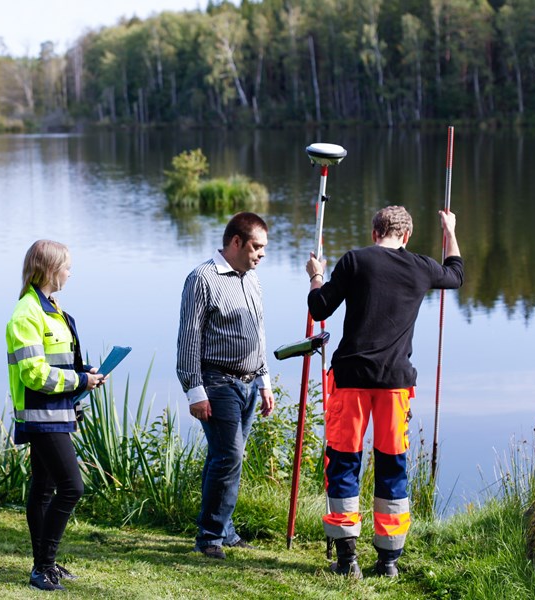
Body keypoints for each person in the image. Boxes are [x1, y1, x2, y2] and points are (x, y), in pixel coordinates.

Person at [306, 206, 463, 578]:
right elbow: (456, 275)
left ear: (375, 232)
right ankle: (388, 562)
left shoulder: (355, 261)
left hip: (351, 377)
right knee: (393, 464)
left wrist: (316, 277)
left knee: (344, 461)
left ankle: (347, 562)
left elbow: (319, 307)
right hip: (395, 383)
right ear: (406, 237)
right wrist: (449, 230)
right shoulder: (421, 267)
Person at [6, 239, 107, 592]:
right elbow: (35, 374)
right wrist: (80, 379)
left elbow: (58, 361)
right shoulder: (26, 315)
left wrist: (87, 371)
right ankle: (41, 568)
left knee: (44, 489)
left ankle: (44, 565)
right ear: (50, 270)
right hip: (41, 415)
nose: (70, 272)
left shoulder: (52, 308)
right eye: (67, 266)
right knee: (72, 488)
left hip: (57, 411)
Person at [177, 212, 276, 560]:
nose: (262, 254)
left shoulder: (252, 279)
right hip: (216, 381)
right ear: (236, 241)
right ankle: (209, 538)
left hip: (249, 384)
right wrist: (195, 391)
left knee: (225, 457)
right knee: (229, 456)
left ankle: (223, 530)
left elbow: (259, 333)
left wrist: (264, 381)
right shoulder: (202, 278)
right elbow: (189, 338)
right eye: (257, 246)